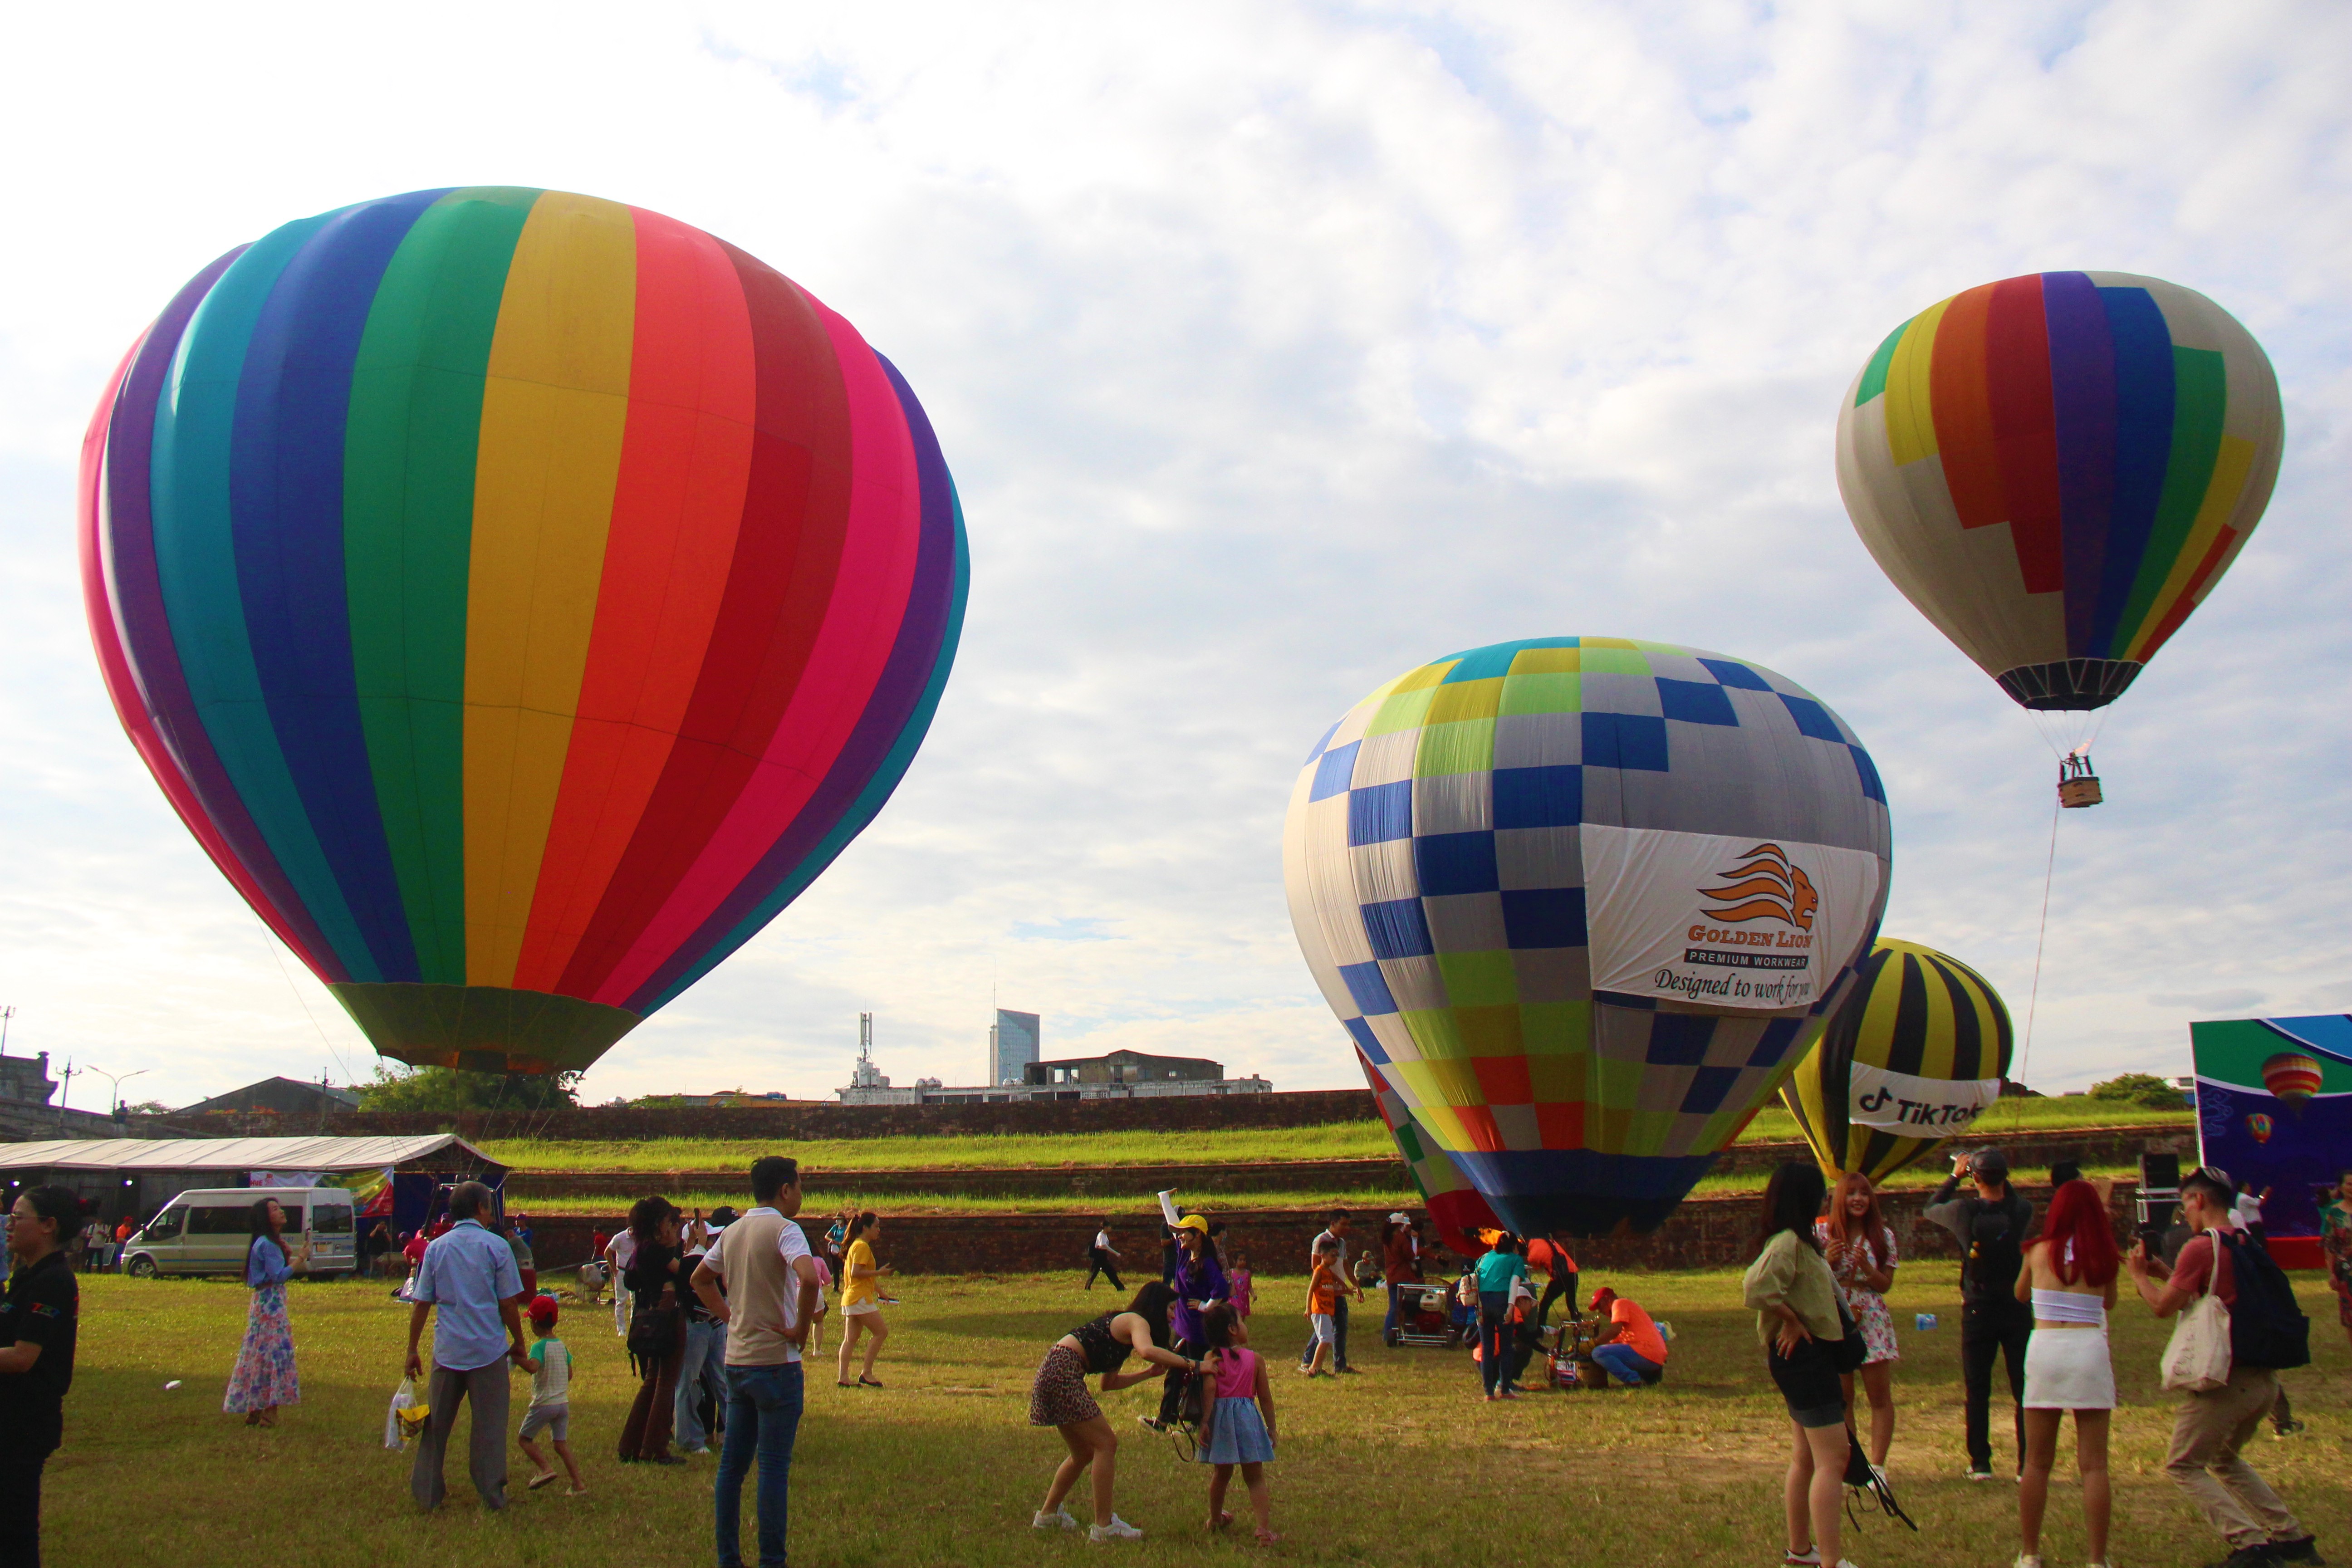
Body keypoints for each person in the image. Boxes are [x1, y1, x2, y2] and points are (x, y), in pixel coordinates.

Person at [2126, 1167, 2321, 1568]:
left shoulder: (2200, 1247)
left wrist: (2138, 1277)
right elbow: (2218, 1291)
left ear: (2199, 1200)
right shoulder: (2244, 1240)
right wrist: (2166, 1273)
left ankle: (2250, 1546)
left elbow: (2164, 1307)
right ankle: (2293, 1539)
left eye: (2186, 1205)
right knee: (2225, 1460)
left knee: (2183, 1464)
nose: (2186, 1215)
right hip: (2264, 1382)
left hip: (2224, 1382)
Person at [692, 1155, 823, 1568]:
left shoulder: (732, 1232)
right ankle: (772, 1559)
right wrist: (800, 1331)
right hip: (777, 1364)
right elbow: (809, 1278)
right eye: (799, 1187)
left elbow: (700, 1279)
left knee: (732, 1468)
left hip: (738, 1362)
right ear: (785, 1190)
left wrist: (732, 1317)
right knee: (772, 1468)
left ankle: (728, 1558)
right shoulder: (787, 1230)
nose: (801, 1195)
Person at [1029, 1280, 1200, 1543]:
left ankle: (1048, 1515)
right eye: (1170, 1308)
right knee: (1106, 1444)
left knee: (1084, 1452)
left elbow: (1108, 1385)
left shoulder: (1123, 1333)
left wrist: (1148, 1374)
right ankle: (1104, 1527)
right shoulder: (1135, 1320)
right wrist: (1194, 1365)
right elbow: (1147, 1351)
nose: (1173, 1316)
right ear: (1156, 1306)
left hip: (1052, 1371)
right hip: (1062, 1372)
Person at [1743, 1162, 1850, 1568]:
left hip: (1803, 1358)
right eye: (1821, 1192)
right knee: (1833, 1460)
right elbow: (1755, 1288)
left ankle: (1802, 1551)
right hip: (1805, 1359)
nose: (1826, 1198)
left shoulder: (1800, 1242)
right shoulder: (1787, 1241)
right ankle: (1833, 1561)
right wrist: (1790, 1319)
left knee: (1806, 1457)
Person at [405, 1180, 529, 1512]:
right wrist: (519, 1341)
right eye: (489, 1206)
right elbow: (508, 1303)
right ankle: (492, 1493)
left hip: (448, 1351)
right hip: (488, 1351)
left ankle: (428, 1493)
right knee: (489, 1428)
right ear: (481, 1209)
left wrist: (412, 1349)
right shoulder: (497, 1247)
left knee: (437, 1426)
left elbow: (421, 1303)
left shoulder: (436, 1248)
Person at [2014, 1178, 2118, 1568]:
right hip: (2087, 1350)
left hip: (2046, 1349)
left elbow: (2021, 1294)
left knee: (2037, 1462)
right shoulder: (2104, 1255)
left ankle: (2029, 1554)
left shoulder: (2037, 1251)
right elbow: (2108, 1302)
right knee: (2094, 1464)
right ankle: (2096, 1560)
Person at [1925, 1146, 2034, 1480]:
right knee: (2023, 1388)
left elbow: (1931, 1208)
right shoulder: (2022, 1210)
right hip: (2017, 1304)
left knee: (1978, 1388)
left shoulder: (1963, 1211)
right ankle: (2026, 1463)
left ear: (1975, 1178)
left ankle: (1981, 1462)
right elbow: (2014, 1201)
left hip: (1978, 1305)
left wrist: (1955, 1176)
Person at [0, 1186, 80, 1568]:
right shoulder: (26, 1276)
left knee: (14, 1531)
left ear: (49, 1226)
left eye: (18, 1217)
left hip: (23, 1421)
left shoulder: (53, 1281)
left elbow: (22, 1357)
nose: (9, 1225)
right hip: (10, 1416)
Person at [1816, 1171, 1899, 1467]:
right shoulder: (1823, 1235)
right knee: (1843, 1394)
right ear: (1840, 1199)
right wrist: (1829, 1262)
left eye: (1864, 1194)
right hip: (1837, 1315)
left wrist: (1867, 1267)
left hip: (1872, 1316)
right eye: (1851, 1194)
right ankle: (1851, 1462)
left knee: (1879, 1395)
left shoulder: (1883, 1236)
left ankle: (1877, 1466)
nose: (1858, 1200)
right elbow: (1811, 1281)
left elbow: (1885, 1285)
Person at [1195, 1302, 1277, 1544]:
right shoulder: (1255, 1359)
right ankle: (1263, 1529)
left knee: (1221, 1473)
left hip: (1220, 1421)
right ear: (1232, 1329)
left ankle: (1215, 1519)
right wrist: (1271, 1428)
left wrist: (1205, 1422)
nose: (1245, 1326)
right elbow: (1265, 1397)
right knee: (1255, 1476)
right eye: (1242, 1321)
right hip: (1248, 1420)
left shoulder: (1211, 1358)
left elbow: (1209, 1390)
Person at [223, 1195, 306, 1427]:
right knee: (275, 1353)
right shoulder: (268, 1244)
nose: (281, 1212)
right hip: (272, 1303)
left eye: (280, 1208)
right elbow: (278, 1276)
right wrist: (300, 1259)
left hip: (262, 1302)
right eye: (275, 1209)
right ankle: (269, 1411)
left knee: (258, 1353)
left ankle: (255, 1408)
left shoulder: (264, 1243)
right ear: (265, 1218)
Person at [619, 1196, 688, 1464]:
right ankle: (654, 1447)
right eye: (671, 1222)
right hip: (668, 1315)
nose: (674, 1227)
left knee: (652, 1380)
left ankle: (631, 1445)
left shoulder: (640, 1250)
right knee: (666, 1383)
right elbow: (686, 1275)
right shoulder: (657, 1252)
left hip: (648, 1317)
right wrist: (696, 1246)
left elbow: (631, 1279)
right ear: (661, 1224)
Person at [1155, 1215, 1228, 1425]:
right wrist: (1164, 1200)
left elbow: (1221, 1290)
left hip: (1197, 1330)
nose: (1180, 1236)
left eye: (1185, 1232)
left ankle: (1198, 1420)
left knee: (1197, 1375)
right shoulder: (1185, 1255)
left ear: (1198, 1235)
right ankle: (1165, 1419)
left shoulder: (1208, 1264)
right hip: (1182, 1325)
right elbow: (1173, 1226)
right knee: (1175, 1371)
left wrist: (1205, 1306)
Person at [517, 1295, 584, 1495]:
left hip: (544, 1404)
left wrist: (516, 1358)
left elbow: (532, 1367)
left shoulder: (539, 1347)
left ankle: (545, 1469)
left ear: (535, 1324)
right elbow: (570, 1373)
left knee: (524, 1439)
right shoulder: (562, 1346)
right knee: (560, 1444)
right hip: (562, 1403)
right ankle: (578, 1485)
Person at [675, 1205, 725, 1456]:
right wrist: (699, 1243)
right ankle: (689, 1439)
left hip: (716, 1326)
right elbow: (691, 1275)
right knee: (689, 1382)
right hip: (696, 1326)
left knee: (724, 1381)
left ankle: (735, 1434)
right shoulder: (694, 1259)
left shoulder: (712, 1258)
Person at [834, 1211, 891, 1390]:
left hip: (852, 1298)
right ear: (865, 1228)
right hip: (859, 1298)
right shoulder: (862, 1247)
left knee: (850, 1339)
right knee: (881, 1332)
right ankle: (867, 1373)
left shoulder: (857, 1245)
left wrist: (881, 1292)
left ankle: (844, 1378)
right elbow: (856, 1273)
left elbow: (864, 1278)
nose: (879, 1230)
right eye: (876, 1226)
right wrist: (879, 1273)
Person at [1298, 1211, 1360, 1373]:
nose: (1346, 1228)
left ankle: (1339, 1365)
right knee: (1324, 1331)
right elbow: (1315, 1267)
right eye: (1343, 1224)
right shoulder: (1321, 1240)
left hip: (1338, 1291)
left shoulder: (1342, 1243)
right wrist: (1326, 1286)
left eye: (1348, 1224)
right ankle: (1308, 1361)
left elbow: (1346, 1265)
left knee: (1340, 1328)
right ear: (1333, 1223)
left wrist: (1354, 1284)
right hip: (1326, 1292)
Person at [1472, 1231, 1529, 1401]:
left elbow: (1477, 1277)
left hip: (1482, 1303)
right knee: (1506, 1349)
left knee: (1487, 1349)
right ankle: (1505, 1389)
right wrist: (1511, 1307)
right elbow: (1514, 1283)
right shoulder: (1515, 1260)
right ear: (1514, 1246)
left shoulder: (1486, 1257)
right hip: (1502, 1301)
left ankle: (1489, 1392)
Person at [1586, 1286, 1669, 1387]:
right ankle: (1646, 1378)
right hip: (1656, 1359)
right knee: (1602, 1350)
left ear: (1607, 1299)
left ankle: (1633, 1380)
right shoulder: (1628, 1313)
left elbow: (1614, 1331)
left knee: (1599, 1353)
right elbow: (1615, 1342)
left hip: (1646, 1353)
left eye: (1599, 1306)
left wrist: (1593, 1344)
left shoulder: (1619, 1303)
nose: (1599, 1311)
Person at [1301, 1238, 1342, 1379]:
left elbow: (1331, 1291)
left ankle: (1317, 1367)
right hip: (1319, 1310)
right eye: (1333, 1255)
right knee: (1325, 1339)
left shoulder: (1328, 1273)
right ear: (1323, 1256)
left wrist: (1346, 1290)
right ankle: (1313, 1369)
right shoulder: (1318, 1271)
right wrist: (1308, 1308)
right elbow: (1311, 1290)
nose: (1335, 1258)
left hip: (1327, 1311)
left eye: (1337, 1255)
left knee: (1326, 1339)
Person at [2322, 1169, 2352, 1354]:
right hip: (2346, 1271)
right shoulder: (2334, 1213)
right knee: (2350, 1315)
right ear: (2341, 1187)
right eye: (2349, 1184)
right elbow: (2329, 1246)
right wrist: (2331, 1273)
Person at [1380, 1214, 1420, 1343]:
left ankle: (1388, 1333)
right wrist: (1414, 1241)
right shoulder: (1400, 1238)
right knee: (1408, 1307)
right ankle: (1407, 1332)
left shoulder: (1387, 1238)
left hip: (1391, 1276)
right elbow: (1411, 1256)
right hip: (1403, 1276)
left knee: (1393, 1306)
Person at [606, 1224, 636, 1338]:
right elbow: (608, 1252)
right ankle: (621, 1329)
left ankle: (634, 1326)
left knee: (635, 1301)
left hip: (634, 1272)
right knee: (621, 1301)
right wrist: (614, 1270)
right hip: (622, 1271)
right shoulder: (620, 1237)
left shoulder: (640, 1238)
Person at [1085, 1223, 1124, 1291]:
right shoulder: (1101, 1235)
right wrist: (1116, 1253)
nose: (1111, 1228)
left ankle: (1120, 1288)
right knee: (1094, 1273)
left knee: (1111, 1272)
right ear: (1106, 1227)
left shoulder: (1104, 1235)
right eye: (1109, 1227)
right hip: (1099, 1257)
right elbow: (1103, 1246)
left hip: (1103, 1256)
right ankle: (1087, 1288)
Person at [1227, 1251, 1254, 1322]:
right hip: (1234, 1298)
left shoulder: (1247, 1273)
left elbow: (1250, 1287)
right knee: (1235, 1315)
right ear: (1235, 1261)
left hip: (1244, 1299)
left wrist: (1254, 1295)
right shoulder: (1231, 1272)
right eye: (1240, 1260)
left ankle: (1241, 1330)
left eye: (1244, 1260)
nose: (1243, 1262)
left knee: (1242, 1317)